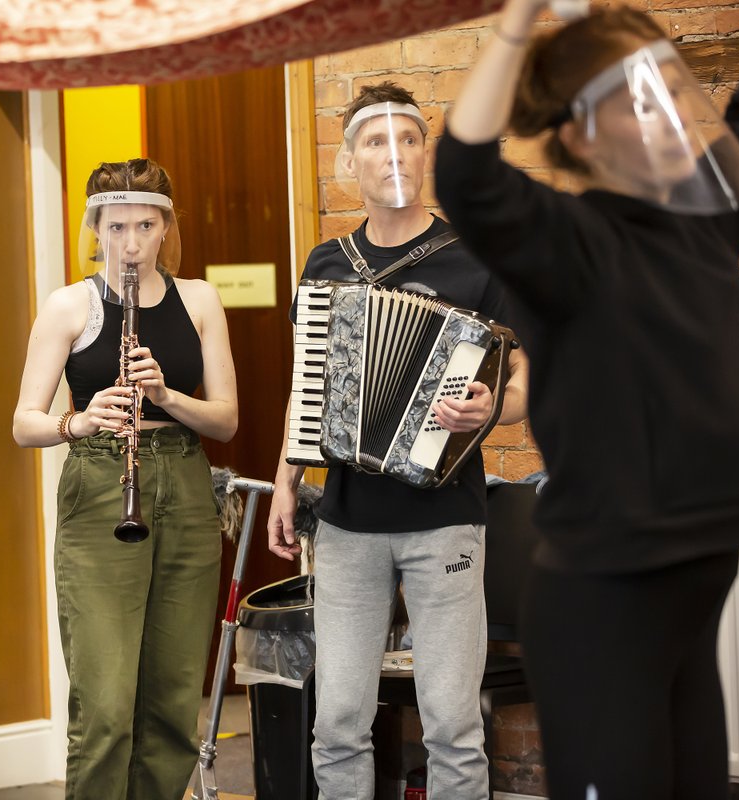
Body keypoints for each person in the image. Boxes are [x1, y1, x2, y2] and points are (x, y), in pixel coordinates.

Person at [436, 4, 739, 798]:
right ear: (581, 135)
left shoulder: (703, 225)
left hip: (691, 579)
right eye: (638, 97)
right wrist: (521, 21)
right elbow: (467, 173)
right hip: (604, 602)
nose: (674, 110)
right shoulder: (567, 244)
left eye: (672, 87)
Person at [267, 82, 529, 799]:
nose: (394, 155)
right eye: (377, 142)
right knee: (340, 717)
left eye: (407, 140)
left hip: (447, 521)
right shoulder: (326, 265)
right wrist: (287, 482)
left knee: (451, 721)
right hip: (349, 520)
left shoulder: (472, 260)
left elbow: (527, 376)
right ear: (351, 161)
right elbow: (307, 387)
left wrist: (491, 407)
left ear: (424, 154)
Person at [12, 158, 238, 800]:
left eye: (145, 225)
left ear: (166, 226)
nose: (132, 244)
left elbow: (225, 420)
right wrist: (77, 424)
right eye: (116, 228)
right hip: (102, 479)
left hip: (187, 485)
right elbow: (24, 422)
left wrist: (166, 395)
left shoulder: (199, 299)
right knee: (107, 706)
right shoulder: (69, 305)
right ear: (96, 229)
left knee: (171, 700)